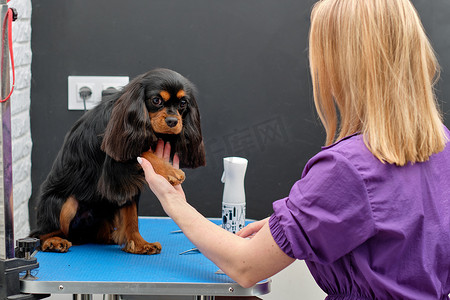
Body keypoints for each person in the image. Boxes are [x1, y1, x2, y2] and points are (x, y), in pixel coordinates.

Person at [137, 0, 450, 299]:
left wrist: (172, 201)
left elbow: (245, 268)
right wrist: (300, 218)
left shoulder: (349, 167)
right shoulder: (443, 146)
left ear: (344, 64)